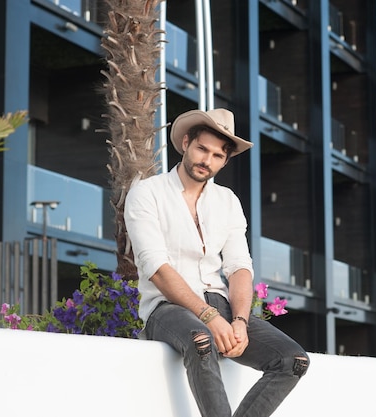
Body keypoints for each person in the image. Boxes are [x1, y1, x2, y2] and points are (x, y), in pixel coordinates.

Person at [124, 108, 309, 417]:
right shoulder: (148, 193)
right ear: (185, 143)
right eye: (201, 149)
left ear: (225, 160)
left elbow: (238, 267)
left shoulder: (228, 202)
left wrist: (238, 320)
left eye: (217, 155)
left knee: (293, 360)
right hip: (168, 309)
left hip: (222, 308)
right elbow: (156, 268)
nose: (206, 160)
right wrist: (209, 317)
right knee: (202, 342)